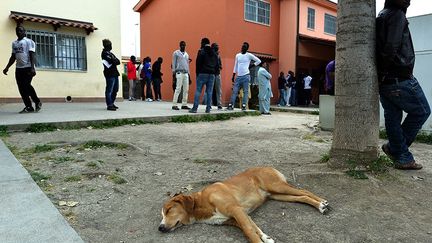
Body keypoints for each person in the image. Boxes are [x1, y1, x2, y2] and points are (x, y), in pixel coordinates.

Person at [376, 0, 431, 170]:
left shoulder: (382, 15)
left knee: (392, 117)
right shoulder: (397, 15)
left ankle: (399, 153)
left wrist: (381, 75)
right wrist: (385, 71)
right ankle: (398, 152)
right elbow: (391, 46)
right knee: (422, 111)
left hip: (385, 82)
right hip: (400, 77)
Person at [3, 25, 42, 113]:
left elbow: (32, 54)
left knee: (26, 85)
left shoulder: (29, 42)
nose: (18, 32)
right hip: (19, 69)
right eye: (17, 31)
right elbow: (13, 57)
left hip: (28, 67)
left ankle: (37, 101)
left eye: (20, 30)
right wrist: (7, 67)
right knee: (21, 88)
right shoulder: (14, 43)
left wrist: (33, 68)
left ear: (25, 32)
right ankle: (28, 107)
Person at [227, 42, 261, 111]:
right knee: (235, 91)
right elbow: (235, 66)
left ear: (247, 49)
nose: (242, 48)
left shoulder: (249, 55)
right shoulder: (238, 55)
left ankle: (244, 105)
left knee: (246, 92)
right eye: (242, 46)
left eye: (244, 47)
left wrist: (251, 66)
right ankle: (231, 105)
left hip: (246, 76)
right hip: (238, 76)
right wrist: (233, 75)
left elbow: (258, 61)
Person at [189, 38, 218, 113]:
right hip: (212, 74)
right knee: (209, 92)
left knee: (198, 90)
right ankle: (208, 109)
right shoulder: (214, 52)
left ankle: (195, 108)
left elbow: (198, 63)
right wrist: (214, 73)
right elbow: (217, 65)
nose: (200, 44)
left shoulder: (201, 51)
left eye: (201, 43)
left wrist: (197, 74)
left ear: (203, 43)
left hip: (202, 73)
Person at [101, 39, 120, 111]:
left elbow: (117, 61)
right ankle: (109, 104)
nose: (111, 46)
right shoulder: (104, 53)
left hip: (115, 73)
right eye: (110, 45)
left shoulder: (111, 53)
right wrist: (113, 60)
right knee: (109, 90)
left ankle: (112, 102)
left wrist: (113, 60)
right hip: (109, 74)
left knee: (116, 89)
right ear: (107, 46)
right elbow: (112, 61)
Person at [172, 41, 191, 110]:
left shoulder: (186, 54)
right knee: (178, 89)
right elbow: (173, 63)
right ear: (179, 45)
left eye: (184, 45)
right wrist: (173, 74)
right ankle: (174, 104)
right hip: (179, 73)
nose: (183, 46)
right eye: (181, 45)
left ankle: (184, 104)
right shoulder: (176, 53)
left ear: (185, 45)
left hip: (186, 73)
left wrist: (189, 75)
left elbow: (187, 65)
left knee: (186, 89)